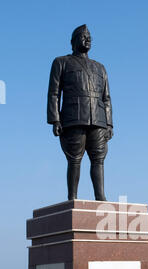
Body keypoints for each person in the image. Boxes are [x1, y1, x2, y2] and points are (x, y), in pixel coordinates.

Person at [47, 24, 113, 201]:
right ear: (73, 41)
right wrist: (55, 120)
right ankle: (73, 198)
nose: (88, 38)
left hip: (98, 119)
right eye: (83, 36)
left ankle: (100, 197)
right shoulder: (61, 62)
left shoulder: (100, 67)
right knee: (75, 159)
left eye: (89, 36)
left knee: (98, 159)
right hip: (73, 118)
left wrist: (109, 123)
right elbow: (54, 93)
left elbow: (106, 98)